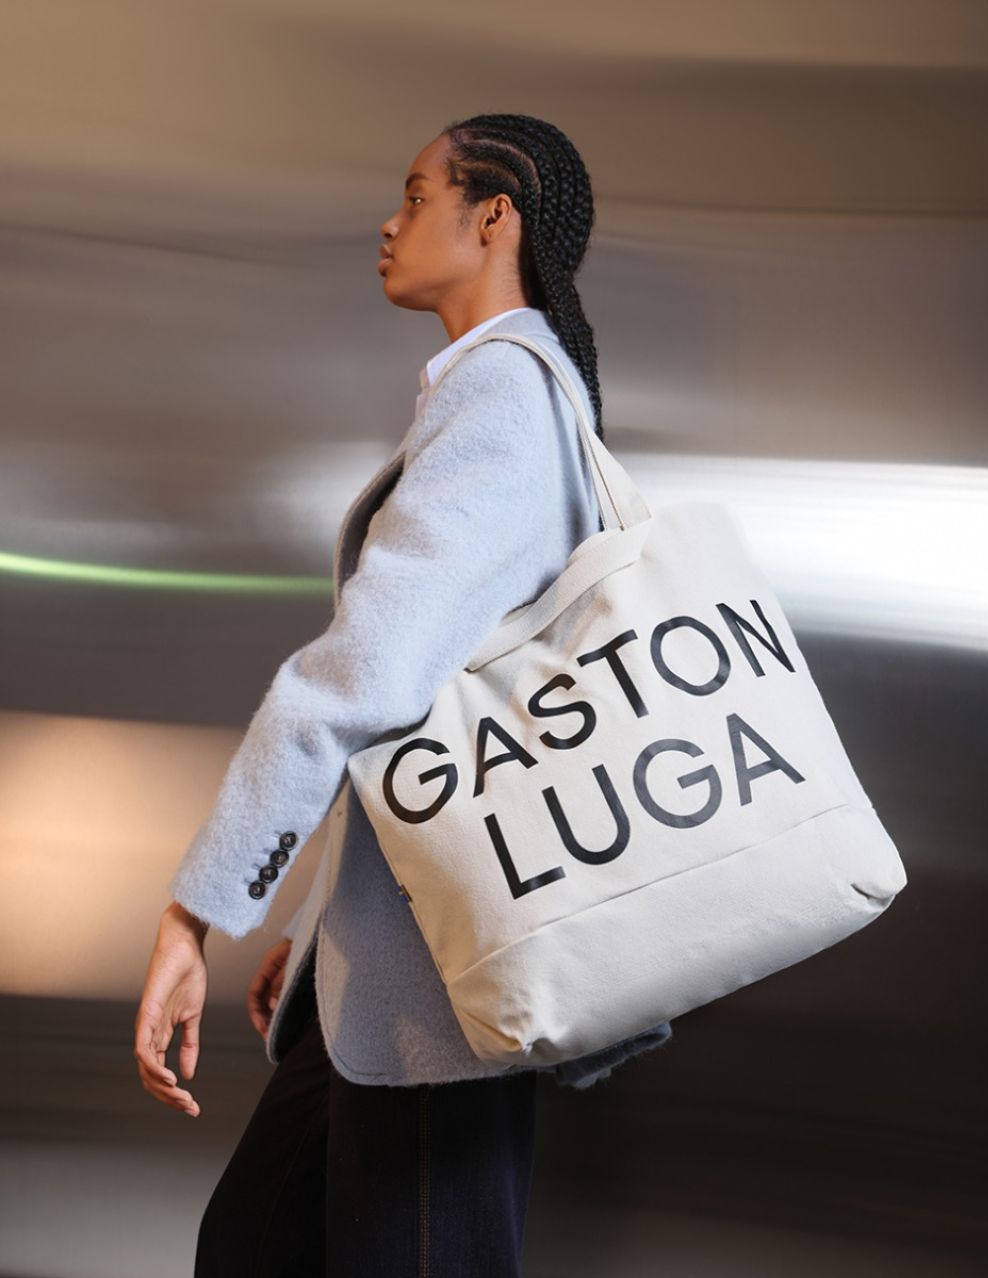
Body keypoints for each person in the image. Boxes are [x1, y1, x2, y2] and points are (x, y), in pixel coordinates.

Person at [134, 112, 673, 1277]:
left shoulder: (504, 401)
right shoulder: (510, 394)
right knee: (250, 1249)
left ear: (494, 217)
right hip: (391, 971)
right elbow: (439, 695)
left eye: (418, 194)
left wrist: (195, 913)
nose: (390, 221)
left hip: (439, 994)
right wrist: (324, 924)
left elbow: (364, 676)